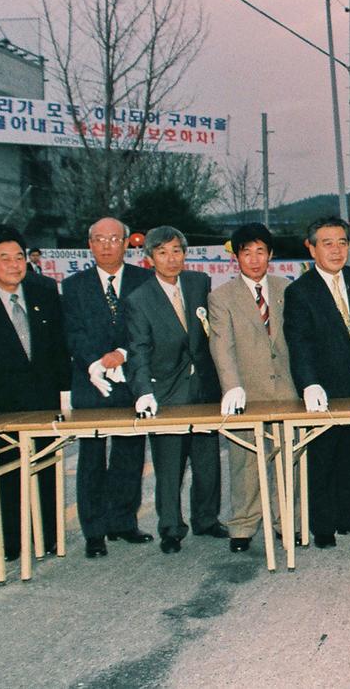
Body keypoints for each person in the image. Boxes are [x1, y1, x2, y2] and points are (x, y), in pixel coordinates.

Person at [0, 224, 70, 559]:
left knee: (45, 466)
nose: (14, 264)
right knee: (2, 473)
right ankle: (5, 540)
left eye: (19, 256)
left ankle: (46, 535)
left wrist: (65, 391)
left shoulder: (45, 290)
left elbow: (59, 347)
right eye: (3, 258)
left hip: (42, 400)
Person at [126, 226, 226, 554]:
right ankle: (171, 527)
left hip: (204, 389)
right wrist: (143, 392)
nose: (171, 259)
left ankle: (207, 519)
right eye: (163, 253)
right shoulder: (139, 300)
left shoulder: (199, 283)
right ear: (149, 258)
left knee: (208, 462)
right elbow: (138, 350)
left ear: (186, 253)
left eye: (177, 251)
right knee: (169, 467)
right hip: (166, 392)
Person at [283, 216, 350, 549]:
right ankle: (322, 525)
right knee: (322, 457)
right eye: (327, 243)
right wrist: (309, 383)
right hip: (323, 389)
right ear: (311, 248)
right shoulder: (299, 292)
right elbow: (299, 343)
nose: (336, 250)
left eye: (342, 242)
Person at [61, 217, 155, 559]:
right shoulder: (73, 286)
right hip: (92, 382)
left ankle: (123, 522)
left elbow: (147, 328)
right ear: (89, 244)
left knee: (130, 455)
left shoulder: (146, 281)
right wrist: (96, 362)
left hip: (133, 380)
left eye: (114, 239)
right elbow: (73, 333)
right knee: (91, 460)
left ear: (127, 243)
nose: (106, 245)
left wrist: (122, 354)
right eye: (99, 239)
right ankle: (94, 531)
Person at [208, 222, 298, 553]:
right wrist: (232, 386)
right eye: (247, 252)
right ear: (237, 257)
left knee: (289, 459)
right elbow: (222, 346)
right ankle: (243, 527)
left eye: (261, 251)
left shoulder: (287, 289)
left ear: (271, 255)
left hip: (288, 389)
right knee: (245, 462)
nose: (255, 259)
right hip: (247, 392)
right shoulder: (221, 297)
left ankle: (288, 522)